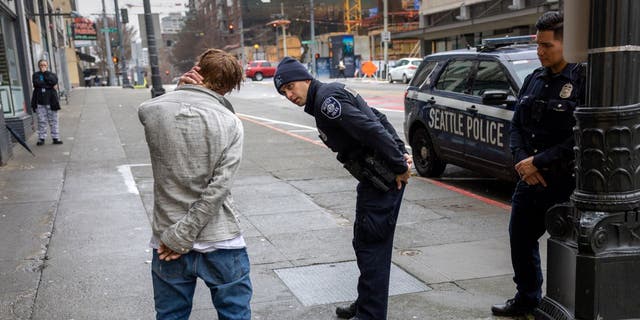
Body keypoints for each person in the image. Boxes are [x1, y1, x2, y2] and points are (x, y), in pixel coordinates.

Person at [275, 57, 411, 320]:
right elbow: (377, 117)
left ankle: (371, 314)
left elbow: (371, 128)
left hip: (381, 180)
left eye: (291, 87)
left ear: (305, 79)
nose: (289, 95)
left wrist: (399, 163)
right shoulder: (326, 97)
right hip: (374, 179)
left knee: (372, 247)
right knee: (364, 243)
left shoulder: (327, 103)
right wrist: (401, 150)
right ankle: (366, 303)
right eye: (284, 92)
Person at [138, 48, 252, 320]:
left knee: (170, 316)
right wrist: (184, 235)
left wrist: (179, 89)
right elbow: (218, 190)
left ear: (196, 71)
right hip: (221, 240)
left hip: (166, 241)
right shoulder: (231, 123)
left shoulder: (153, 111)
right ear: (229, 86)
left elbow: (148, 109)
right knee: (234, 314)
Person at [491, 11, 586, 317]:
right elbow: (516, 125)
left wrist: (539, 162)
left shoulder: (582, 79)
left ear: (566, 44)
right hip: (529, 180)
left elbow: (582, 136)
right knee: (519, 239)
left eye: (547, 46)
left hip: (563, 182)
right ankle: (527, 298)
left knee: (569, 249)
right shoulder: (533, 79)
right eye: (538, 45)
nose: (540, 52)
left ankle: (568, 305)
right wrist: (522, 162)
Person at [31, 59, 62, 145]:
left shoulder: (52, 74)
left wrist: (46, 74)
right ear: (39, 66)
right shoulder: (36, 75)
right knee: (41, 121)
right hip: (40, 102)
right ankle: (41, 138)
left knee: (54, 121)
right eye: (41, 65)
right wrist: (50, 85)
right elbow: (37, 83)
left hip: (51, 102)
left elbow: (54, 81)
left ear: (47, 66)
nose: (43, 67)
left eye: (45, 65)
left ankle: (55, 138)